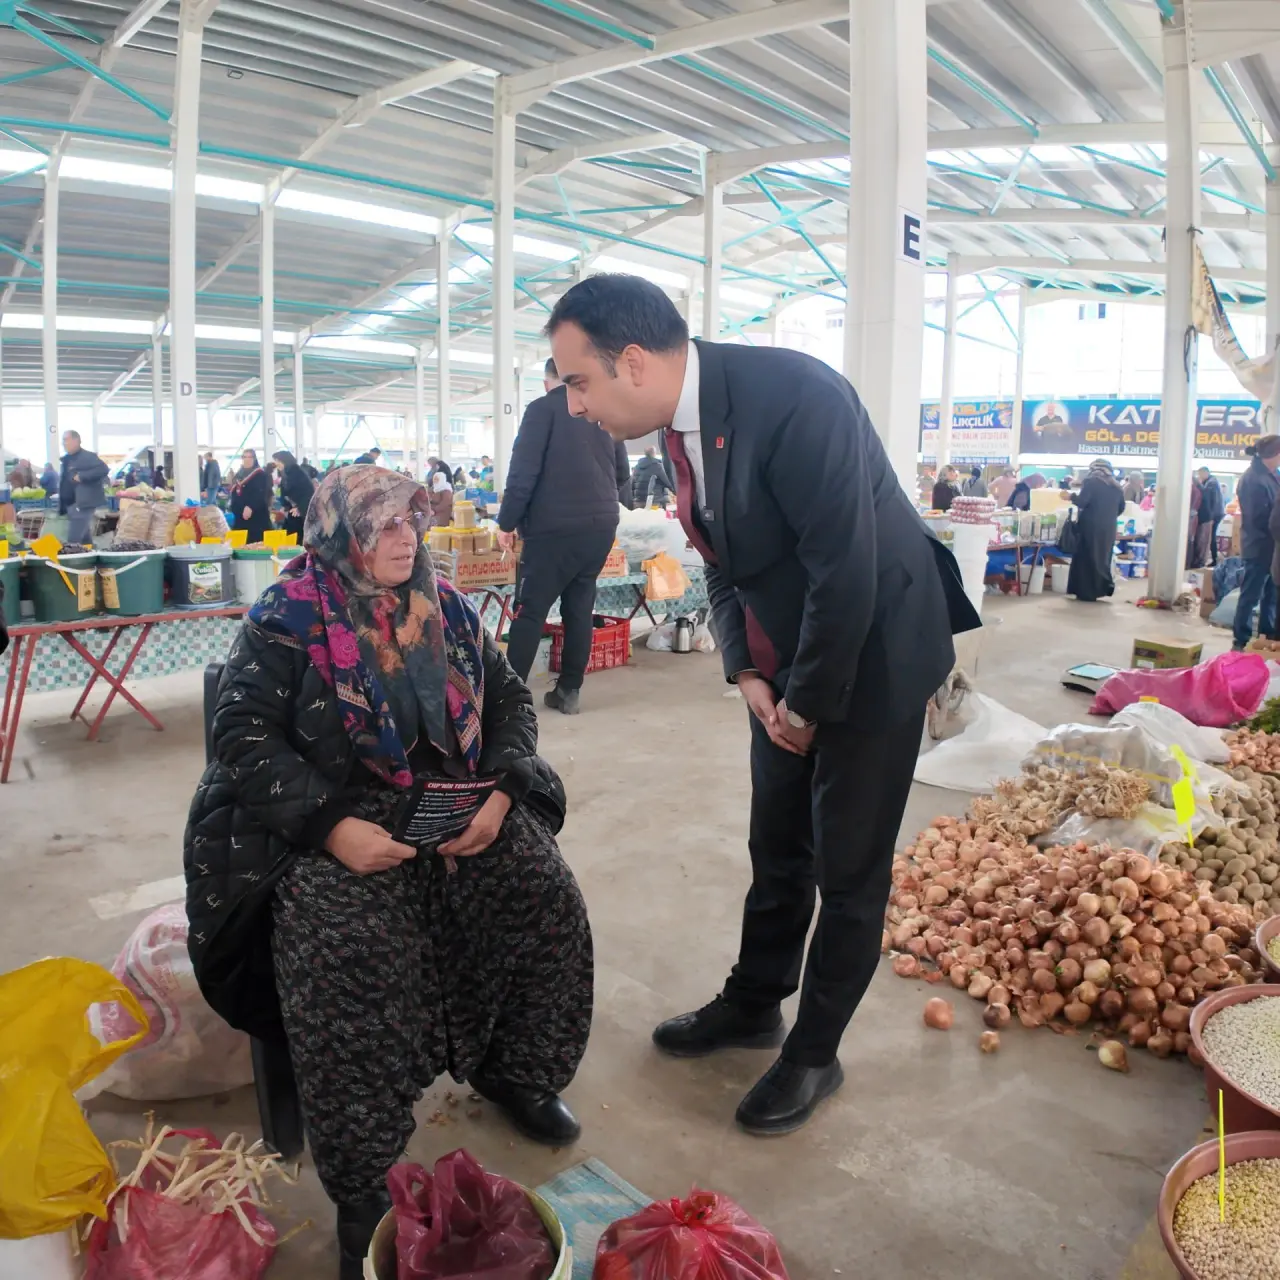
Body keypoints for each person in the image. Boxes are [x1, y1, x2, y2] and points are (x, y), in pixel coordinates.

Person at [546, 272, 979, 1134]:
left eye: (578, 381)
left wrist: (806, 709)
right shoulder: (679, 431)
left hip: (877, 651)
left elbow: (845, 576)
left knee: (848, 870)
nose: (573, 405)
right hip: (786, 658)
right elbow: (721, 560)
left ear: (634, 362)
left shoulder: (798, 399)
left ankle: (816, 1053)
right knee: (777, 847)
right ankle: (754, 1003)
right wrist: (747, 672)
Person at [185, 466, 591, 1278]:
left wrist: (500, 794)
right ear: (342, 535)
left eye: (414, 521)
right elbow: (242, 735)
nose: (408, 539)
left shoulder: (448, 607)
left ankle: (518, 1073)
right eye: (386, 526)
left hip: (453, 801)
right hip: (328, 815)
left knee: (542, 895)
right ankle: (365, 1188)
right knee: (350, 952)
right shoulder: (285, 617)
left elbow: (511, 703)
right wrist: (331, 829)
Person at [495, 357, 626, 715]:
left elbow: (522, 475)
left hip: (553, 529)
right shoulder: (601, 408)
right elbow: (622, 473)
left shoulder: (541, 410)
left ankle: (509, 705)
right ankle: (569, 691)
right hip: (601, 526)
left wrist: (506, 524)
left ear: (547, 382)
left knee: (530, 612)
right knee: (580, 608)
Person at [1234, 437, 1280, 650]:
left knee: (1271, 594)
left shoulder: (1272, 475)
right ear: (1274, 454)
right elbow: (1258, 518)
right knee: (1251, 595)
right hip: (1258, 545)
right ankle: (1240, 639)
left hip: (1272, 547)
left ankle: (1267, 637)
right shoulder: (1252, 479)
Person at [1065, 458, 1125, 602]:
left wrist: (1071, 496)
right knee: (1102, 558)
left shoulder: (1091, 482)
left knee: (1087, 557)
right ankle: (1100, 589)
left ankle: (1086, 592)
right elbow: (1121, 508)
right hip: (1109, 528)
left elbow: (1082, 502)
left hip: (1090, 527)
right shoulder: (1116, 486)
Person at [57, 430, 109, 545]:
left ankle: (75, 556)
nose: (63, 443)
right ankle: (90, 553)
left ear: (76, 441)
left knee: (73, 540)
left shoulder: (88, 457)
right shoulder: (66, 459)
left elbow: (103, 469)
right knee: (85, 539)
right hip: (70, 505)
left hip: (82, 504)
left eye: (66, 440)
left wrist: (82, 476)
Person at [228, 449, 273, 543]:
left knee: (256, 543)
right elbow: (235, 492)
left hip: (256, 516)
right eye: (245, 457)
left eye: (250, 457)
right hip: (240, 516)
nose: (247, 460)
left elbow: (261, 494)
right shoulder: (239, 474)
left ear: (254, 459)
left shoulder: (260, 474)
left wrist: (251, 506)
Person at [272, 449, 316, 541]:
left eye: (277, 460)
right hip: (293, 513)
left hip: (301, 514)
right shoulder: (286, 474)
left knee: (297, 539)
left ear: (285, 460)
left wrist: (299, 508)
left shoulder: (297, 473)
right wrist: (285, 506)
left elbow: (308, 493)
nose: (276, 463)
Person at [1196, 466, 1225, 568]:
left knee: (1211, 537)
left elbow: (1211, 501)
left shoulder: (1211, 484)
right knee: (1211, 536)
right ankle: (1214, 558)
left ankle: (1214, 559)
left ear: (1205, 473)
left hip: (1214, 514)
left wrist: (1211, 517)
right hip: (1217, 513)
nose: (1200, 477)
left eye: (1200, 475)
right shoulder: (1212, 482)